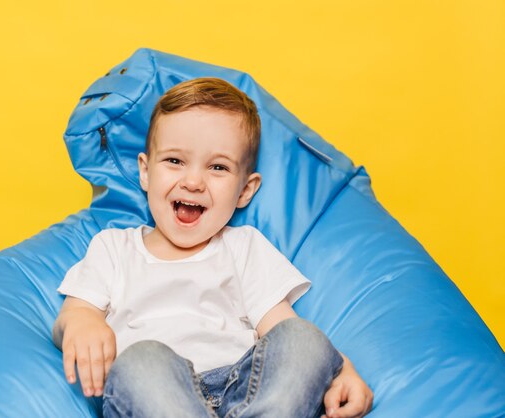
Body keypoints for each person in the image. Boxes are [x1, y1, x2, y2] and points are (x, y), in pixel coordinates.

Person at [52, 77, 373, 418]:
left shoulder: (244, 247)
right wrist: (83, 323)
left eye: (218, 167)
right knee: (142, 361)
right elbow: (70, 316)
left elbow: (285, 330)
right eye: (175, 161)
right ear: (145, 172)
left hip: (246, 389)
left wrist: (342, 370)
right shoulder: (115, 248)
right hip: (159, 395)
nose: (192, 182)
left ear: (245, 191)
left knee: (304, 337)